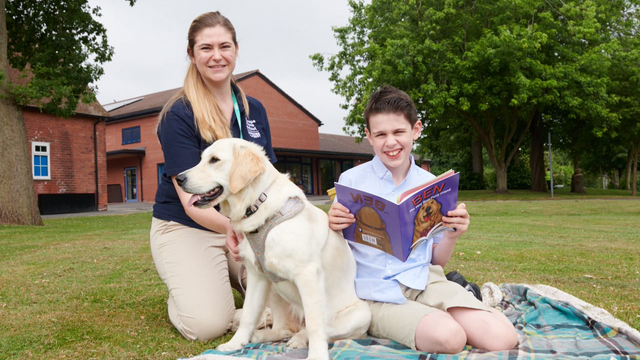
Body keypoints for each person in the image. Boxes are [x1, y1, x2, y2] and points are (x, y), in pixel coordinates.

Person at [328, 86, 518, 353]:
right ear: (369, 137)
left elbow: (436, 260)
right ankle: (435, 319)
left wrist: (452, 234)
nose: (390, 142)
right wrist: (332, 227)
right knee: (449, 338)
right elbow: (331, 254)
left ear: (415, 130)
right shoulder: (350, 182)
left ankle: (453, 312)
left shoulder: (431, 185)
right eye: (380, 134)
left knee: (503, 338)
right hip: (376, 293)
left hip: (424, 280)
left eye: (398, 132)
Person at [150, 11, 277, 341]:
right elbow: (193, 202)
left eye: (224, 46)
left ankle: (227, 279)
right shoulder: (178, 114)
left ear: (236, 50)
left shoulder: (255, 111)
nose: (217, 56)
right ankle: (188, 291)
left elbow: (271, 180)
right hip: (187, 225)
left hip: (243, 227)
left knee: (287, 306)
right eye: (206, 48)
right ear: (191, 54)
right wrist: (235, 229)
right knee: (208, 324)